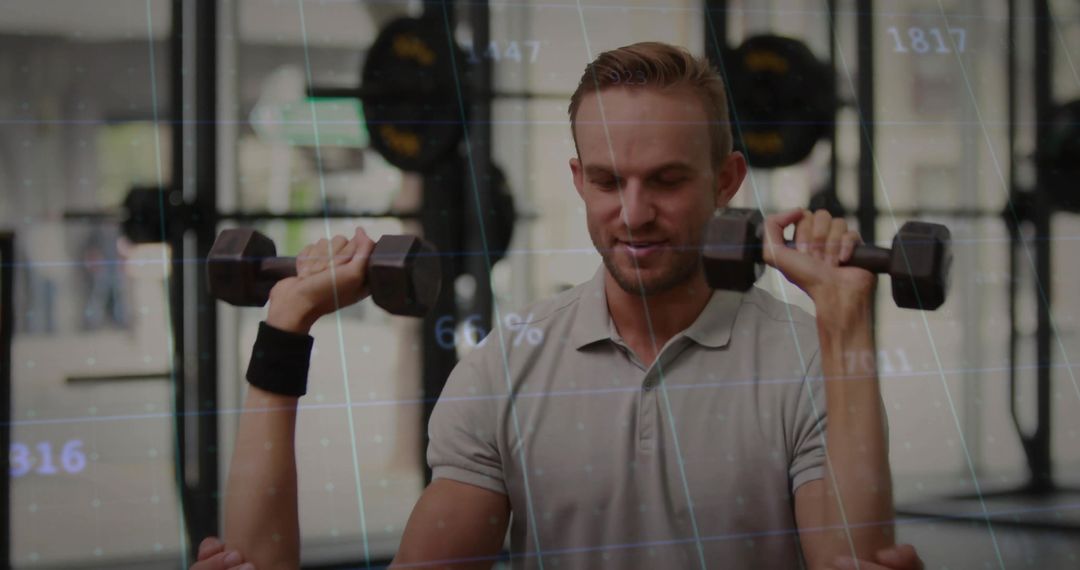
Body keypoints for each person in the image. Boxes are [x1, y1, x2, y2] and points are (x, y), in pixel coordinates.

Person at [193, 42, 924, 570]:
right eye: (608, 181)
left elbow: (855, 562)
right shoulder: (507, 368)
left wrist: (844, 319)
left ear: (727, 178)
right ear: (578, 179)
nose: (633, 214)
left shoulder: (806, 359)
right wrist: (287, 322)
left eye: (666, 180)